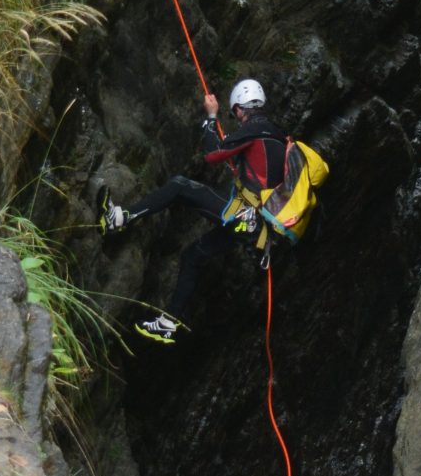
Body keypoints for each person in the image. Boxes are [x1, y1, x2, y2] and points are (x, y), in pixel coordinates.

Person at [99, 78, 328, 347]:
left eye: (235, 113)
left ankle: (119, 219)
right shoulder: (279, 136)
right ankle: (169, 322)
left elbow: (212, 153)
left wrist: (210, 117)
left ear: (240, 108)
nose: (237, 118)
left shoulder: (255, 129)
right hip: (257, 231)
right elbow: (261, 176)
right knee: (193, 255)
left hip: (245, 218)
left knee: (179, 186)